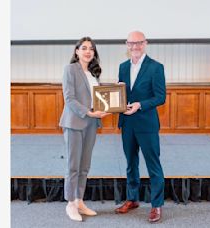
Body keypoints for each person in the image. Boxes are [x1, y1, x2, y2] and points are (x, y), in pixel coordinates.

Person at [115, 31, 166, 223]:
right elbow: (123, 94)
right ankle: (132, 198)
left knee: (153, 164)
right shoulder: (122, 67)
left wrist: (139, 105)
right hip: (127, 123)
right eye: (131, 43)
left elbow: (160, 97)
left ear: (145, 44)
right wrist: (117, 92)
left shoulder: (156, 67)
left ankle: (156, 205)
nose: (134, 46)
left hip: (147, 123)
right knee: (130, 164)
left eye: (138, 43)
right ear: (126, 45)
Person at [59, 37, 111, 222]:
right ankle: (70, 204)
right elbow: (70, 99)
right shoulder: (70, 70)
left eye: (91, 49)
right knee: (73, 166)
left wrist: (104, 109)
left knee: (84, 166)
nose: (88, 51)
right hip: (74, 122)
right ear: (77, 51)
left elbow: (98, 99)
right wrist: (89, 112)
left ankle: (80, 200)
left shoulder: (94, 73)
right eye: (84, 48)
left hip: (91, 124)